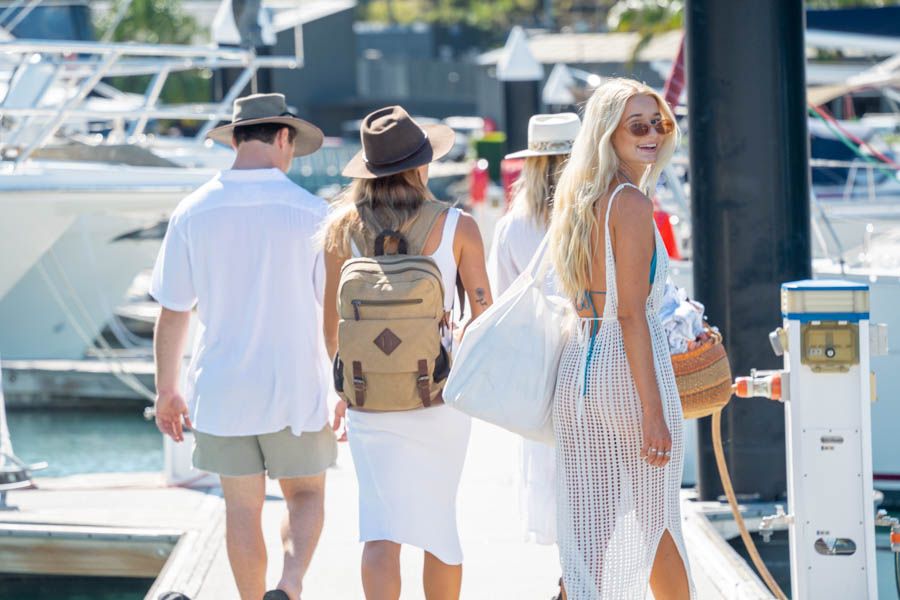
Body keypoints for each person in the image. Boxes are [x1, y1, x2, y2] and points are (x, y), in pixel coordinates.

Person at [151, 93, 336, 600]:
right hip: (295, 386)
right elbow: (331, 314)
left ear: (234, 139)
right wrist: (341, 385)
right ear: (283, 138)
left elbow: (173, 310)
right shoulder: (313, 212)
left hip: (223, 389)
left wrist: (166, 389)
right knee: (305, 494)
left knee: (240, 508)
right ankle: (290, 586)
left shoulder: (191, 212)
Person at [322, 106, 492, 600]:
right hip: (439, 396)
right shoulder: (457, 225)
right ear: (421, 166)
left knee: (380, 529)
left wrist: (343, 389)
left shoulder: (341, 229)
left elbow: (333, 325)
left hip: (369, 398)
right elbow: (484, 317)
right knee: (439, 525)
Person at [547, 78, 695, 599]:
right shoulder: (629, 202)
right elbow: (631, 314)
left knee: (591, 530)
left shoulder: (580, 199)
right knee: (657, 521)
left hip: (580, 368)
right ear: (608, 134)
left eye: (659, 123)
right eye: (637, 126)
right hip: (625, 371)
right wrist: (653, 412)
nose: (652, 133)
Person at [486, 112, 580, 600]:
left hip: (539, 374)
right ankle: (576, 584)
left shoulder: (511, 227)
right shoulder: (593, 213)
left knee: (556, 482)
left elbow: (502, 309)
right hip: (591, 360)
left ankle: (571, 580)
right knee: (598, 484)